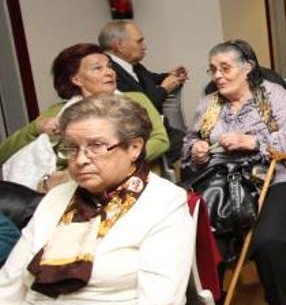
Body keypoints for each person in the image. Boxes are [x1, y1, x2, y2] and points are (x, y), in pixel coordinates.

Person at [0, 94, 193, 304]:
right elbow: (9, 284)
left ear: (134, 148)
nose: (81, 160)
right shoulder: (57, 198)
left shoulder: (164, 202)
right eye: (72, 148)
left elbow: (161, 300)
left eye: (96, 146)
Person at [183, 40, 286, 305]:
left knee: (270, 240)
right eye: (213, 69)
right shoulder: (208, 104)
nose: (217, 75)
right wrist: (196, 151)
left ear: (247, 68)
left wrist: (252, 143)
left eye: (225, 68)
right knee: (198, 240)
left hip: (275, 177)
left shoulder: (273, 94)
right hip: (219, 182)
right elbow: (187, 146)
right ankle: (212, 299)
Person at [0, 44, 169, 191]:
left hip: (132, 182)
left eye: (109, 66)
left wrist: (108, 164)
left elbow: (160, 140)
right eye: (98, 68)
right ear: (76, 79)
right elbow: (4, 154)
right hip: (71, 189)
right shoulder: (59, 112)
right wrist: (36, 127)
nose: (109, 72)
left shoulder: (135, 100)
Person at [99, 20, 188, 162]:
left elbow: (149, 78)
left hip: (162, 128)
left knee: (191, 140)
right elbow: (141, 109)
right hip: (144, 136)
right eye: (139, 41)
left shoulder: (132, 64)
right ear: (119, 45)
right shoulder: (110, 74)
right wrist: (164, 89)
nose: (144, 46)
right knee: (189, 144)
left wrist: (169, 75)